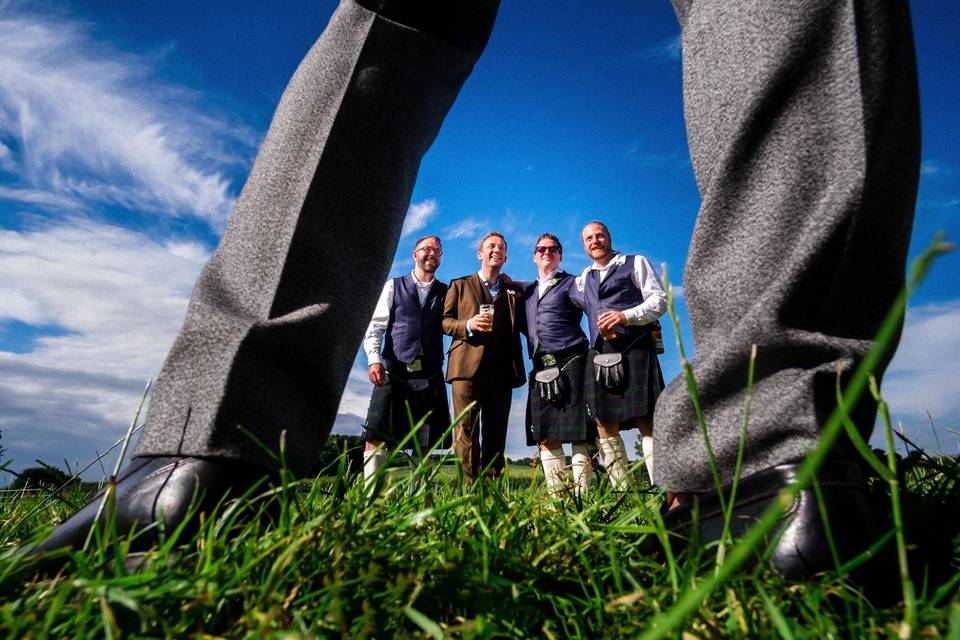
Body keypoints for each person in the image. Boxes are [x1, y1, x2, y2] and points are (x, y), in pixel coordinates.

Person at [29, 0, 919, 581]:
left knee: (400, 12)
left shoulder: (577, 279)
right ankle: (784, 457)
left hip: (569, 366)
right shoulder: (459, 286)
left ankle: (212, 443)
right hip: (468, 369)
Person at [576, 222, 666, 491]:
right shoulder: (584, 277)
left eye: (599, 235)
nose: (595, 241)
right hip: (602, 352)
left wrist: (625, 316)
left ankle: (662, 488)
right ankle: (622, 492)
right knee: (604, 421)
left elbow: (659, 301)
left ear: (609, 237)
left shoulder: (635, 262)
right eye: (589, 238)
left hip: (636, 347)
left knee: (647, 417)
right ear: (584, 245)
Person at [360, 235, 451, 497]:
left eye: (437, 250)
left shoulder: (446, 292)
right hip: (394, 373)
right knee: (376, 434)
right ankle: (371, 499)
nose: (432, 254)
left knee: (424, 442)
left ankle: (416, 498)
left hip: (430, 374)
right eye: (426, 249)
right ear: (415, 255)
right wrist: (374, 359)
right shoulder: (394, 286)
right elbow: (375, 327)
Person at [442, 231, 526, 484]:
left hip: (501, 370)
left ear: (506, 257)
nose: (496, 250)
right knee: (465, 431)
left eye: (501, 247)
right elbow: (445, 322)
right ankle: (469, 493)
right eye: (491, 246)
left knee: (496, 433)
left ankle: (493, 494)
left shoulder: (513, 290)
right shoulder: (459, 285)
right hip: (465, 369)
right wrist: (468, 324)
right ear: (480, 254)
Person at [519, 233, 596, 495]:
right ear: (534, 255)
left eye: (553, 249)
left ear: (560, 254)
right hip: (541, 365)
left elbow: (594, 306)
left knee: (579, 434)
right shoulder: (527, 291)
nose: (546, 252)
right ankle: (557, 501)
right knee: (545, 436)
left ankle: (583, 498)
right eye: (541, 249)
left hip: (572, 360)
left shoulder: (573, 283)